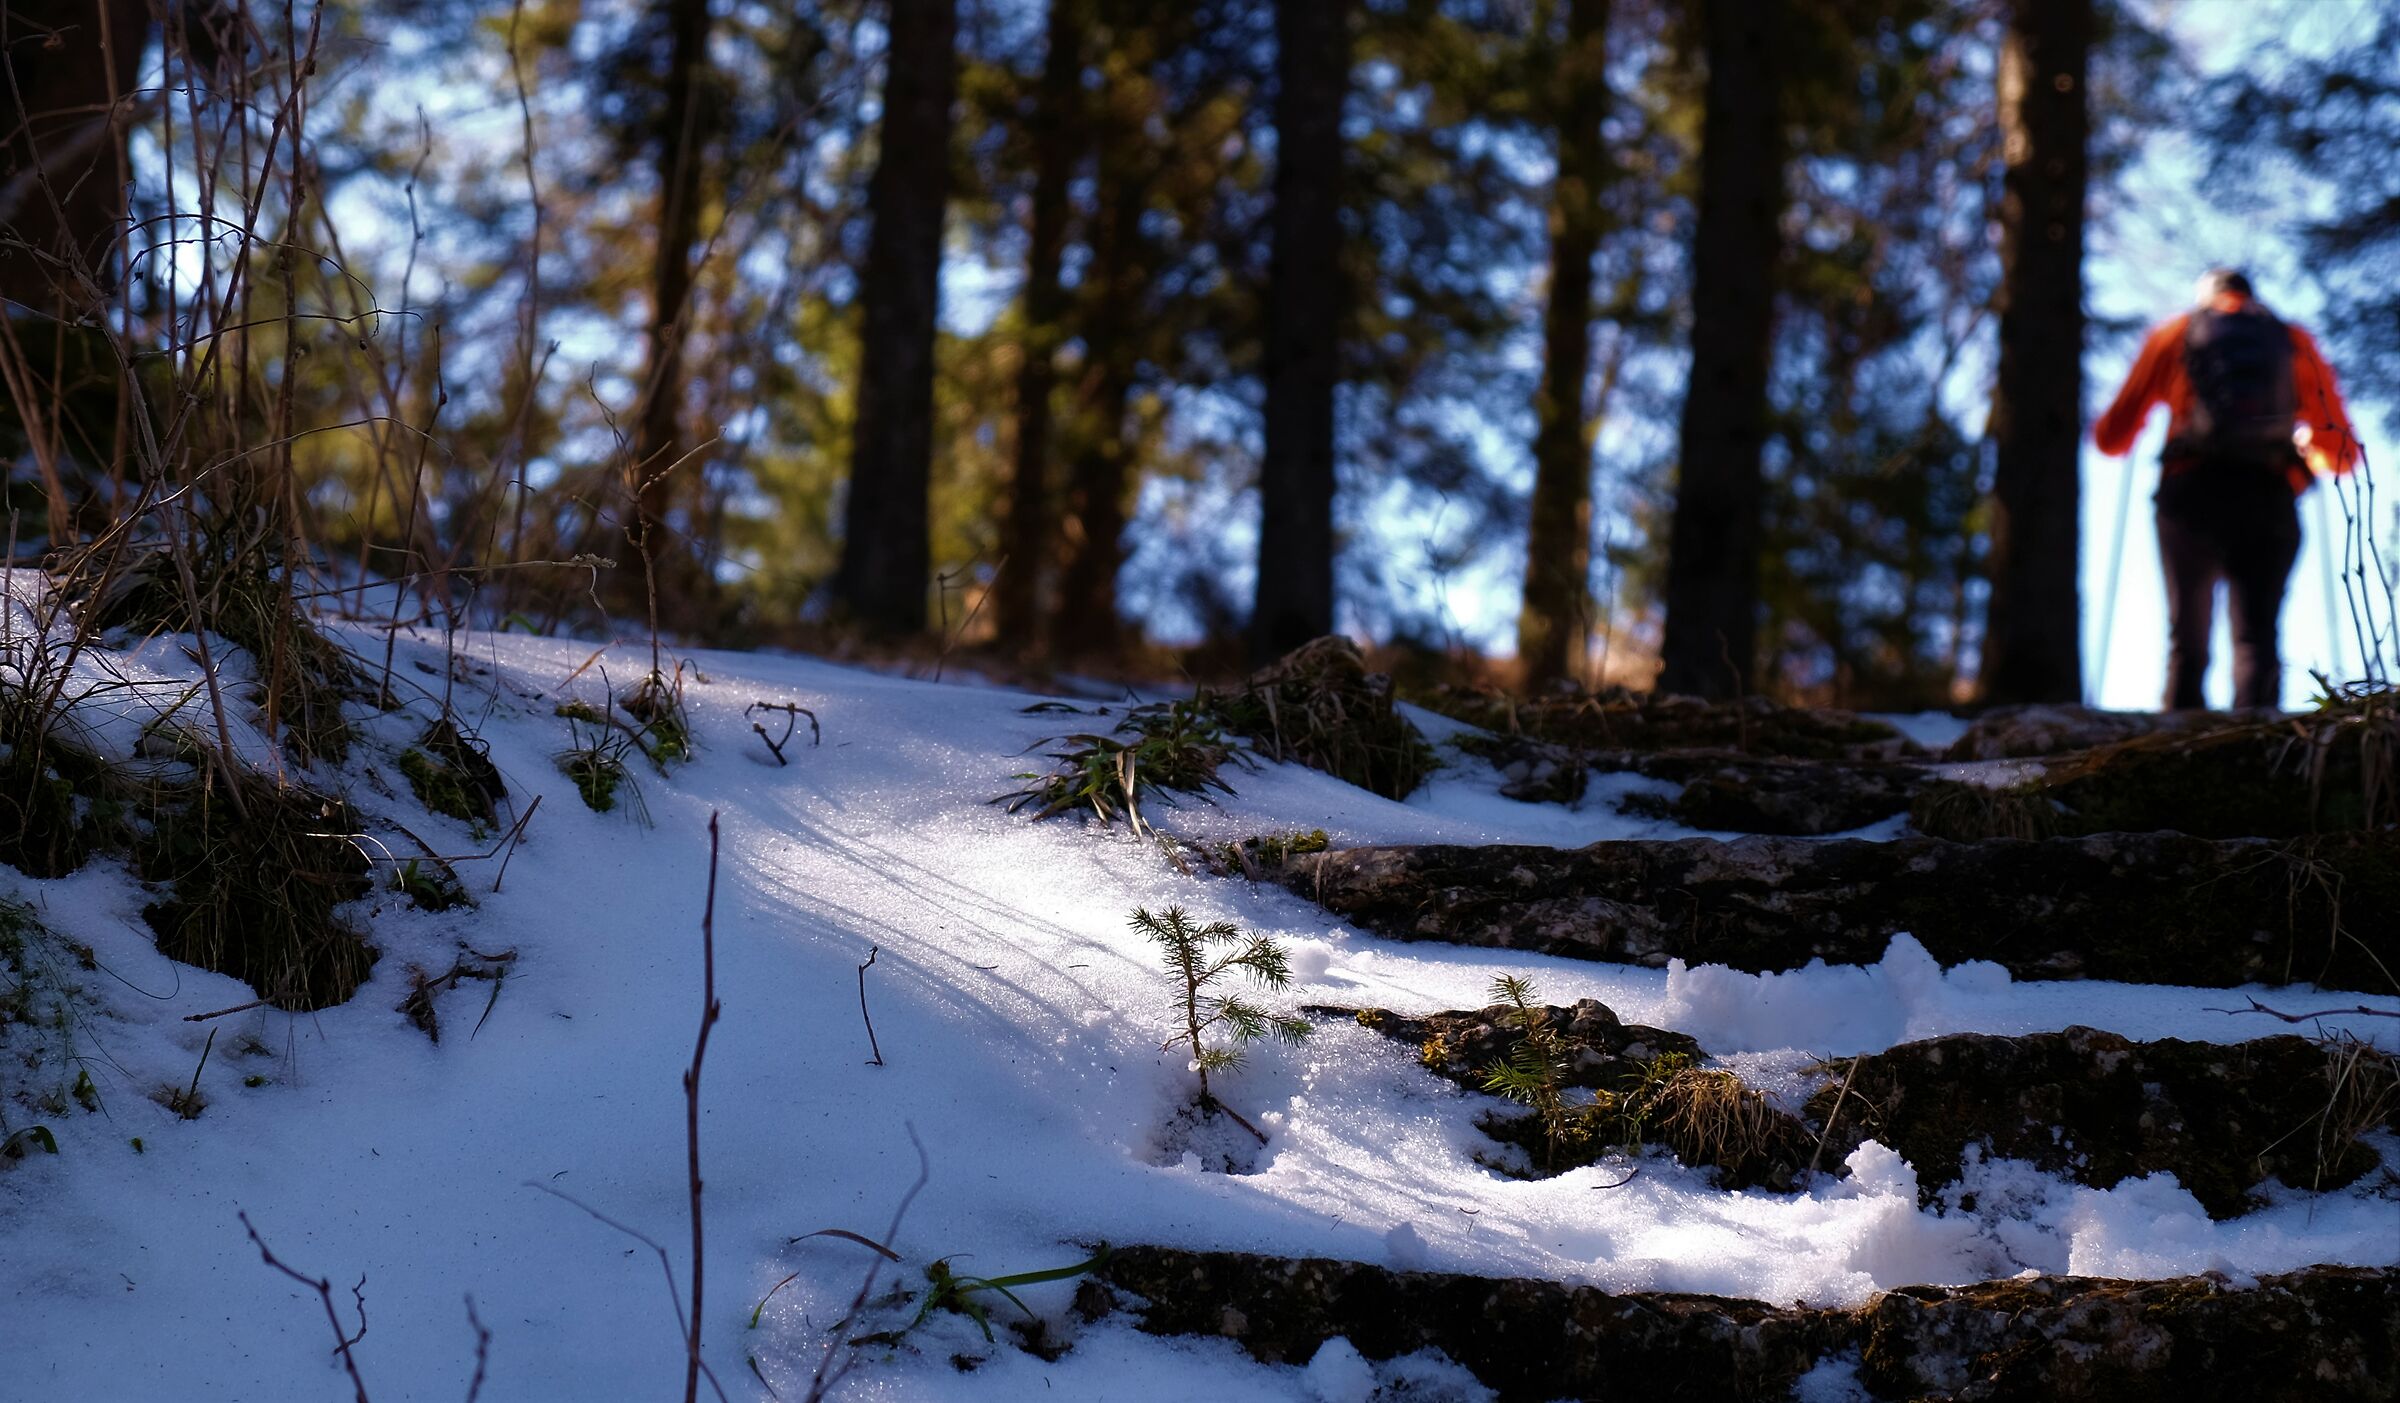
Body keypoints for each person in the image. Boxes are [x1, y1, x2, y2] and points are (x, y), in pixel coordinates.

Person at [2093, 269, 2360, 711]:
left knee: (2187, 642)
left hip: (2189, 493)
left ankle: (2173, 757)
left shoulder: (2174, 334)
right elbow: (2342, 452)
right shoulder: (2292, 339)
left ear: (2206, 297)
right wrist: (2305, 450)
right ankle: (2260, 759)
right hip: (2268, 494)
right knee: (2257, 639)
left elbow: (2110, 438)